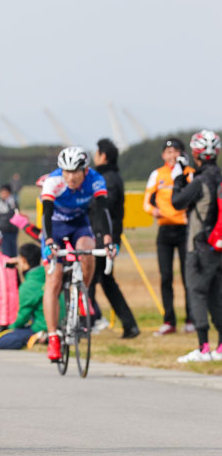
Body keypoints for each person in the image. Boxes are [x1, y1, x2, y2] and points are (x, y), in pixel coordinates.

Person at [41, 147, 115, 362]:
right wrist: (49, 242)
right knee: (53, 279)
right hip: (54, 225)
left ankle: (83, 294)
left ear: (86, 170)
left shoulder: (95, 179)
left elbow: (102, 211)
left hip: (79, 224)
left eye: (75, 172)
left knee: (88, 250)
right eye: (66, 172)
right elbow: (45, 214)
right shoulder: (53, 182)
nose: (71, 177)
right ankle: (54, 337)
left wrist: (108, 239)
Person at [171, 131, 222, 362]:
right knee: (217, 296)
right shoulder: (219, 178)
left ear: (196, 153)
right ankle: (220, 347)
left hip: (199, 246)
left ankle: (203, 348)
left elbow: (177, 202)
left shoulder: (200, 182)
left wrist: (179, 177)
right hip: (218, 247)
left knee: (197, 294)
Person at [88, 139, 139, 339]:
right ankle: (130, 325)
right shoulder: (112, 176)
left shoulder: (106, 179)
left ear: (103, 156)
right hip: (106, 236)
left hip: (102, 237)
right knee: (107, 281)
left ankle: (87, 323)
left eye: (96, 152)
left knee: (90, 279)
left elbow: (103, 208)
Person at [143, 137, 195, 335]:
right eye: (168, 152)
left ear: (182, 153)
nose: (172, 155)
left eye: (176, 151)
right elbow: (146, 201)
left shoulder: (190, 174)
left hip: (184, 229)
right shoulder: (157, 174)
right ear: (163, 155)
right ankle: (169, 320)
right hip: (165, 230)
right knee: (166, 276)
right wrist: (152, 211)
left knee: (187, 275)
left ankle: (191, 318)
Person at [0, 243, 52, 350]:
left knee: (0, 341)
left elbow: (23, 317)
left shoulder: (28, 286)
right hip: (56, 323)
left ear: (24, 261)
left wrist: (11, 327)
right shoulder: (47, 275)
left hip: (42, 326)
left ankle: (39, 337)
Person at [0, 184, 19, 257]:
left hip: (13, 231)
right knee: (6, 253)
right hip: (3, 232)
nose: (3, 194)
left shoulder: (13, 202)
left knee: (13, 253)